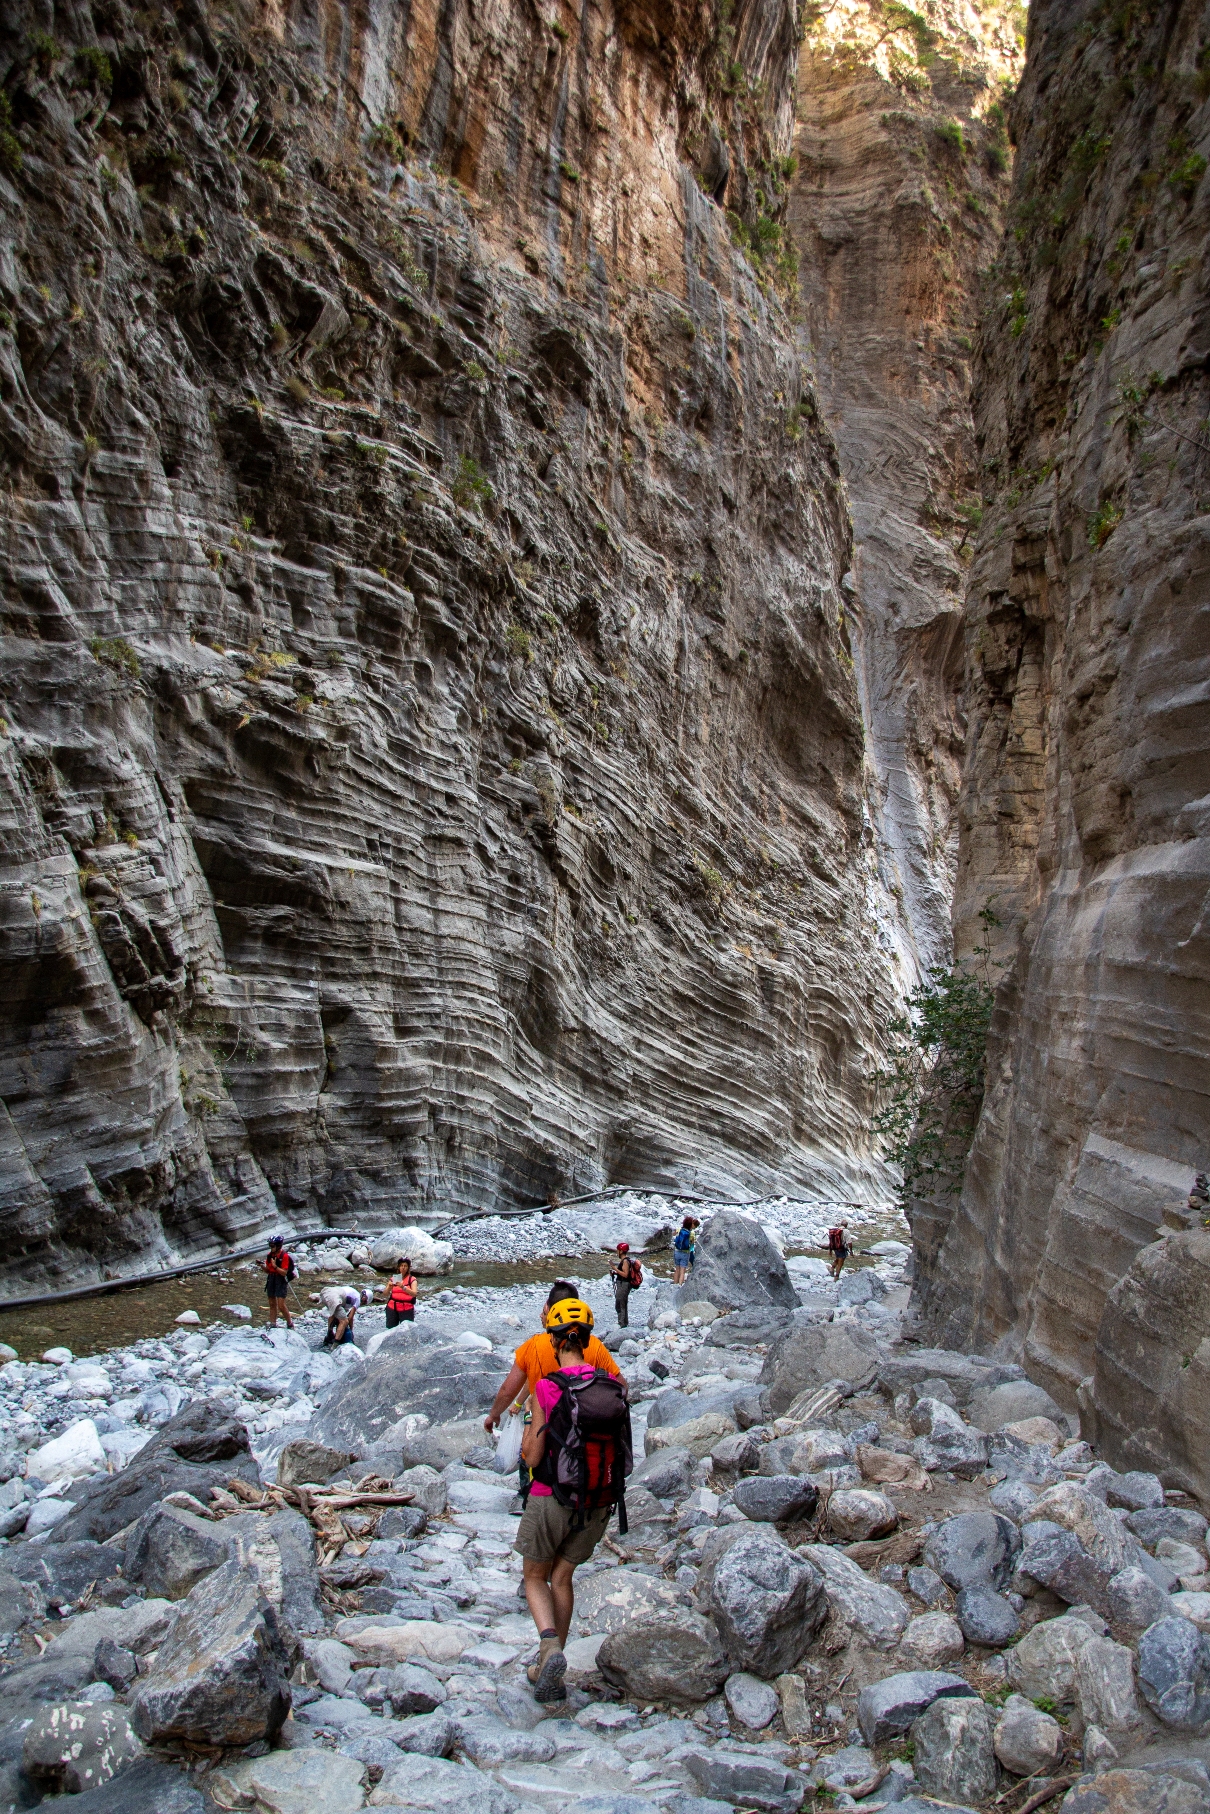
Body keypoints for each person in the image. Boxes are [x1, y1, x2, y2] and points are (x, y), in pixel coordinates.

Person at [515, 1297, 632, 1703]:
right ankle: (551, 1667)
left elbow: (532, 1457)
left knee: (535, 1576)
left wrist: (528, 1426)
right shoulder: (611, 1386)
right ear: (586, 1341)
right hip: (599, 1500)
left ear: (553, 1340)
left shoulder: (547, 1388)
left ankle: (549, 1648)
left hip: (552, 1496)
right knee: (562, 1576)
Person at [484, 1282, 624, 1502]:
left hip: (541, 1443)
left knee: (533, 1478)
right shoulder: (594, 1346)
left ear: (550, 1310)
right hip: (583, 1443)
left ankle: (530, 1502)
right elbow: (621, 1388)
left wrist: (494, 1415)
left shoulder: (534, 1346)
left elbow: (507, 1390)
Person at [263, 1236, 294, 1329]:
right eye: (270, 1246)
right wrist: (261, 1266)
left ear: (278, 1246)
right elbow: (268, 1270)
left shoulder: (284, 1256)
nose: (271, 1248)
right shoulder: (270, 1255)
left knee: (281, 1305)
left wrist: (275, 1266)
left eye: (272, 1246)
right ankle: (273, 1323)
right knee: (272, 1303)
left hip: (280, 1279)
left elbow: (284, 1272)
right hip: (271, 1278)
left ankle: (289, 1323)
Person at [609, 1242, 637, 1327]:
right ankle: (623, 1322)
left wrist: (614, 1268)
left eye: (618, 1250)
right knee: (622, 1303)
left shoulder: (625, 1261)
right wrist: (615, 1273)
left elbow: (625, 1274)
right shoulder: (625, 1261)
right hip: (622, 1283)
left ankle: (622, 1324)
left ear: (621, 1251)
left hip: (624, 1284)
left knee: (620, 1304)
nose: (617, 1252)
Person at [385, 1257, 417, 1327]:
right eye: (401, 1266)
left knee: (407, 1329)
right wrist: (389, 1287)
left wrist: (403, 1287)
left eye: (405, 1266)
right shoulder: (395, 1278)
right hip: (392, 1307)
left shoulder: (412, 1279)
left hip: (406, 1308)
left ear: (408, 1268)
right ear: (399, 1267)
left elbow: (414, 1294)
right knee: (390, 1329)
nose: (403, 1268)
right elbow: (385, 1294)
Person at [672, 1216, 699, 1285]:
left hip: (677, 1252)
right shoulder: (692, 1233)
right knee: (682, 1272)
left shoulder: (679, 1229)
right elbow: (692, 1243)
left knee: (677, 1270)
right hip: (685, 1253)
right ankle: (680, 1285)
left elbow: (673, 1234)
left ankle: (675, 1284)